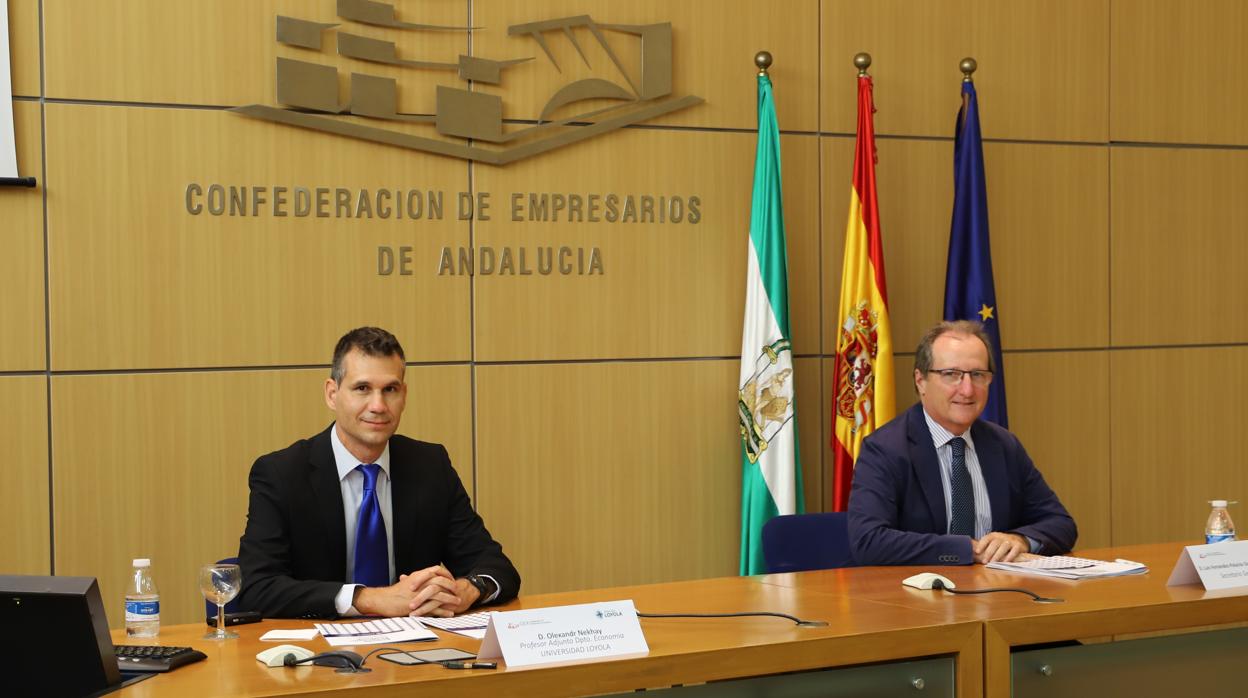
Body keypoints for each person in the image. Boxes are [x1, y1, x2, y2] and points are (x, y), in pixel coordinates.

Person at [237, 327, 519, 618]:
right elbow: (256, 587)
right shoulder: (281, 474)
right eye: (362, 388)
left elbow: (496, 566)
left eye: (390, 390)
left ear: (404, 395)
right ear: (332, 394)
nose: (378, 406)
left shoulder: (430, 465)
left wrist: (468, 589)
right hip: (320, 653)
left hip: (417, 650)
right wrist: (367, 598)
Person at [848, 320, 1076, 566]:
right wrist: (966, 549)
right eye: (951, 375)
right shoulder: (886, 449)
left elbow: (1060, 523)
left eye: (978, 375)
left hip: (999, 595)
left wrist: (1020, 540)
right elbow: (869, 541)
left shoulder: (1003, 445)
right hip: (917, 597)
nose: (967, 390)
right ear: (920, 380)